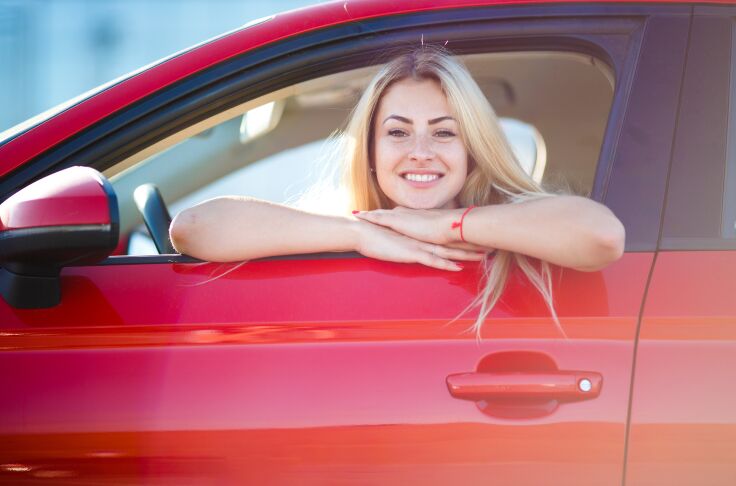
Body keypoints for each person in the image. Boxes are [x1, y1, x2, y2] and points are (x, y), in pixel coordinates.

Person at [169, 46, 625, 334]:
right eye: (399, 132)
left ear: (472, 150)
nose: (421, 152)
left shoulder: (521, 234)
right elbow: (193, 228)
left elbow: (601, 236)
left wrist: (448, 226)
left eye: (444, 133)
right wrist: (358, 234)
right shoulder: (339, 229)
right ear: (370, 151)